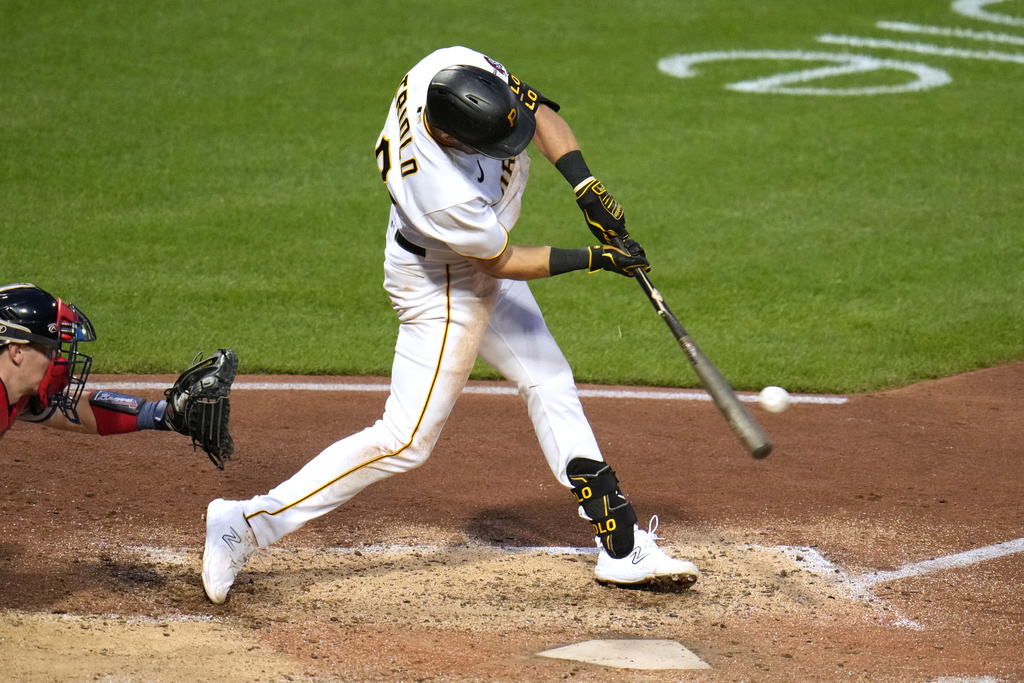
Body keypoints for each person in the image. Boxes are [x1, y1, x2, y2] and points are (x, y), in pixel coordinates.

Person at [201, 46, 700, 604]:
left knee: (548, 379)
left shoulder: (456, 66)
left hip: (474, 259)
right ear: (451, 139)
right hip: (442, 282)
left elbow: (539, 116)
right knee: (405, 440)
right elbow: (500, 263)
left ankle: (622, 544)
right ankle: (242, 524)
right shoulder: (439, 193)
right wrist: (593, 258)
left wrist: (585, 186)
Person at [1, 283, 237, 468]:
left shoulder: (16, 395)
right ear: (17, 351)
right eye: (50, 349)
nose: (59, 360)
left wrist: (163, 414)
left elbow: (74, 412)